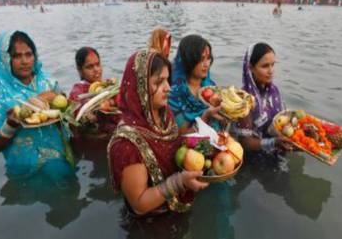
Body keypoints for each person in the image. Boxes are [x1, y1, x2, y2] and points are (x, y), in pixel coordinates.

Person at [108, 50, 209, 216]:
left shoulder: (163, 113)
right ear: (139, 87)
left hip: (175, 209)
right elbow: (139, 204)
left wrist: (205, 119)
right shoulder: (126, 144)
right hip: (151, 223)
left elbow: (175, 147)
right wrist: (178, 182)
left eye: (167, 80)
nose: (168, 88)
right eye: (159, 82)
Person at [0, 30, 74, 181]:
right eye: (16, 56)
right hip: (25, 172)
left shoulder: (47, 83)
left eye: (29, 54)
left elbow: (67, 111)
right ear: (5, 59)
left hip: (62, 160)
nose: (25, 61)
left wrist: (65, 104)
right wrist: (10, 124)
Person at [230, 43, 291, 156]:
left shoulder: (274, 92)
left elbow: (282, 122)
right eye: (265, 66)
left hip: (277, 151)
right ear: (251, 68)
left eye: (273, 65)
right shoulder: (244, 100)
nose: (271, 70)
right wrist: (273, 143)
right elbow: (245, 143)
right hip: (254, 160)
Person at [168, 34, 223, 134]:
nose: (206, 64)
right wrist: (205, 117)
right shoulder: (175, 94)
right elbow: (182, 134)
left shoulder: (211, 87)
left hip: (219, 143)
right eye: (201, 59)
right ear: (188, 60)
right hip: (191, 148)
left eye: (208, 58)